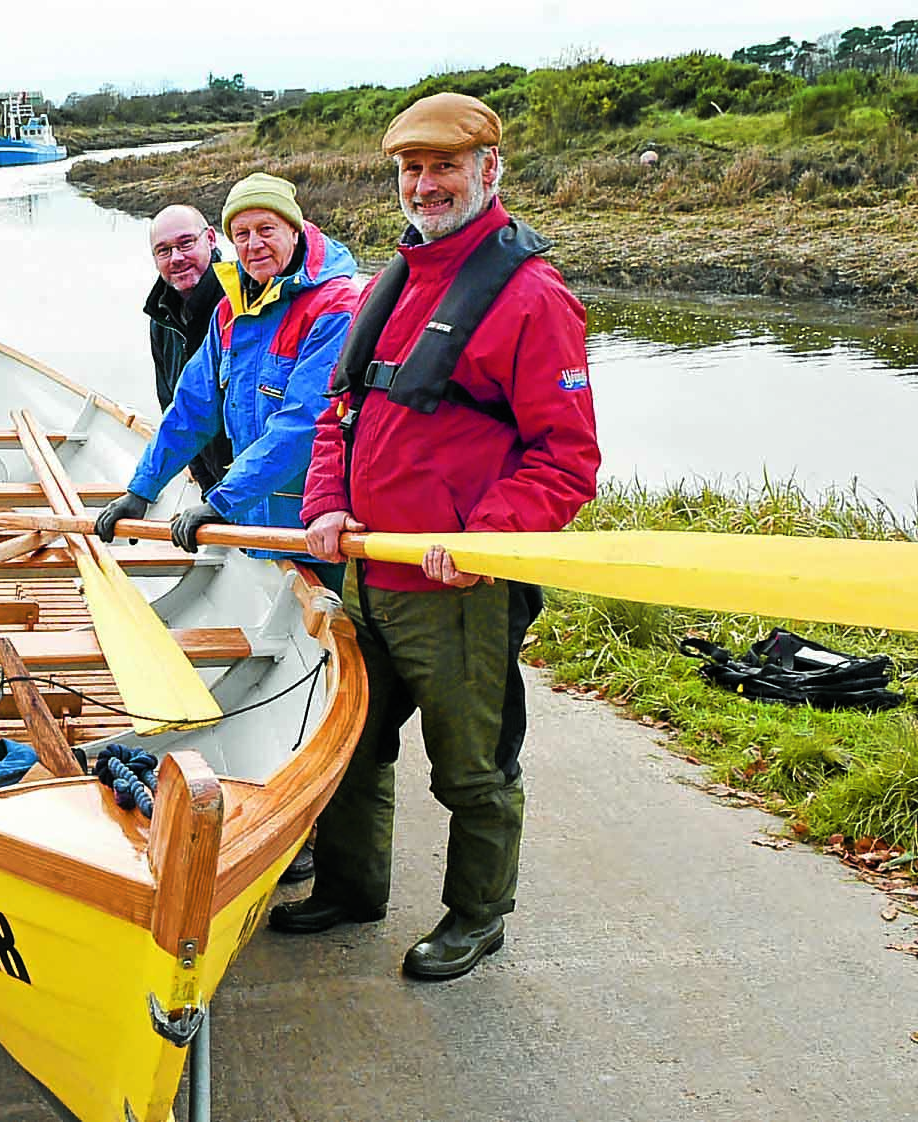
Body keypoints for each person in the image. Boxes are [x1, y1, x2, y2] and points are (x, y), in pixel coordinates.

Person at [277, 93, 600, 983]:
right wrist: (326, 507)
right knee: (347, 749)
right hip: (368, 578)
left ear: (488, 170)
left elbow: (566, 460)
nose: (425, 184)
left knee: (471, 772)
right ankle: (351, 889)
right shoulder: (395, 278)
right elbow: (338, 415)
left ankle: (476, 917)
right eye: (411, 169)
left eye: (444, 166)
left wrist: (484, 541)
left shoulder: (532, 296)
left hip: (458, 594)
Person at [94, 172, 358, 570]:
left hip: (317, 527)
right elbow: (191, 409)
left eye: (266, 229)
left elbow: (303, 424)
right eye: (242, 234)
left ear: (294, 229)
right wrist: (142, 490)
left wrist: (222, 500)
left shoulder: (335, 307)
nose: (254, 245)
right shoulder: (232, 310)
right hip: (253, 521)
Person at [143, 204, 231, 495]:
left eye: (185, 243)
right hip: (215, 482)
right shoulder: (162, 317)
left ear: (210, 238)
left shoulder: (241, 302)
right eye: (164, 250)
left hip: (256, 487)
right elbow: (174, 408)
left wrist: (230, 496)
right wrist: (207, 487)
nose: (176, 258)